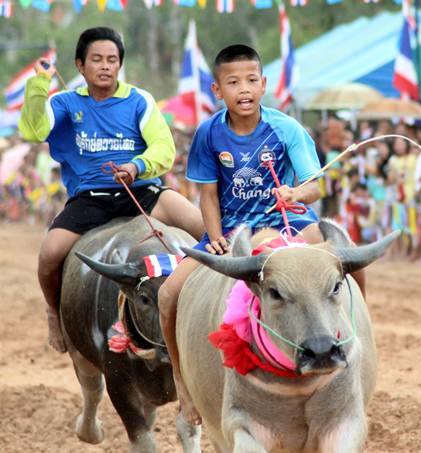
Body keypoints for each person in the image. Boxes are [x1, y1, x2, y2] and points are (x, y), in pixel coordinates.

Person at [158, 44, 367, 426]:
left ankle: (358, 340)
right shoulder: (208, 134)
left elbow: (314, 187)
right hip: (233, 230)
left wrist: (295, 194)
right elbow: (207, 195)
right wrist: (215, 236)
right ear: (217, 90)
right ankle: (183, 385)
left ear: (264, 84)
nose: (244, 89)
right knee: (169, 294)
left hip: (289, 223)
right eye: (233, 82)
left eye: (252, 80)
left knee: (348, 255)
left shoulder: (286, 128)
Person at [19, 27, 204, 353]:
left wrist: (136, 167)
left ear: (120, 64)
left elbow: (164, 148)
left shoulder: (139, 100)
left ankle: (223, 302)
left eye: (112, 60)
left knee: (204, 227)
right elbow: (35, 130)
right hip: (90, 200)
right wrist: (38, 84)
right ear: (80, 65)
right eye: (97, 60)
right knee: (49, 254)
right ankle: (53, 311)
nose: (105, 66)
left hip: (142, 191)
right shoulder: (64, 102)